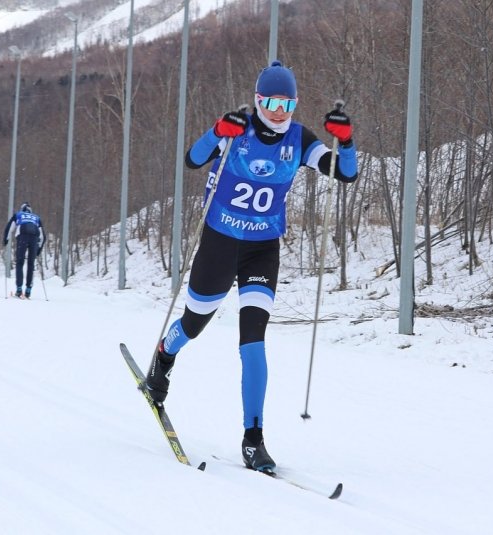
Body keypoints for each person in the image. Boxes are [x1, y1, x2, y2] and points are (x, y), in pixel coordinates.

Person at [145, 60, 358, 472]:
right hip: (220, 243)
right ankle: (163, 359)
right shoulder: (238, 129)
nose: (280, 110)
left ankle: (253, 438)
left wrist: (346, 142)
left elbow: (344, 174)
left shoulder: (299, 139)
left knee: (253, 340)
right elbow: (193, 158)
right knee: (194, 323)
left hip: (262, 248)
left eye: (288, 102)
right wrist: (216, 132)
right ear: (259, 101)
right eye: (272, 101)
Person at [3, 202, 45, 299]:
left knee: (20, 263)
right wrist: (39, 250)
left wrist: (6, 240)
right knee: (31, 264)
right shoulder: (36, 217)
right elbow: (43, 236)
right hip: (34, 238)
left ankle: (19, 289)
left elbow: (9, 228)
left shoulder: (18, 215)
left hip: (22, 237)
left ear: (22, 209)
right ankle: (28, 290)